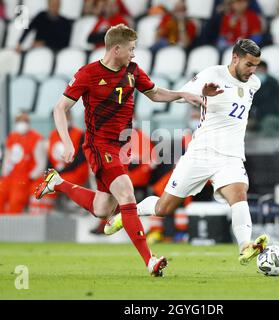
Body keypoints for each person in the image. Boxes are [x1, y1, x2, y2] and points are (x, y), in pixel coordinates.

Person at [34, 24, 208, 277]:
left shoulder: (133, 71)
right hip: (99, 145)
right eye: (131, 49)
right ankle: (150, 260)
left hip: (121, 146)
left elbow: (156, 93)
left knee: (103, 209)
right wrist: (68, 142)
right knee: (127, 196)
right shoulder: (88, 73)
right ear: (116, 49)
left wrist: (182, 94)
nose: (134, 54)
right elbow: (60, 109)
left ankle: (57, 182)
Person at [107, 39, 269, 266]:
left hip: (230, 155)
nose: (252, 71)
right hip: (200, 153)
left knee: (239, 195)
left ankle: (245, 246)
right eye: (249, 64)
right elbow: (185, 94)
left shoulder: (254, 83)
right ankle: (126, 214)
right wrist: (203, 93)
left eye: (256, 66)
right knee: (164, 208)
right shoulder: (212, 74)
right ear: (235, 58)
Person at [0, 112, 46, 214]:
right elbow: (7, 159)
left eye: (23, 121)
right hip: (10, 177)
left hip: (25, 179)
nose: (21, 124)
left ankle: (12, 224)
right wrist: (4, 173)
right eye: (19, 121)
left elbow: (41, 164)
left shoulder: (36, 139)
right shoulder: (12, 137)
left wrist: (30, 177)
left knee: (15, 200)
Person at [248, 60, 279, 137]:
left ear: (265, 70)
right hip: (257, 117)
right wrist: (249, 118)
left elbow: (272, 106)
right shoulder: (251, 84)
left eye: (260, 69)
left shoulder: (273, 83)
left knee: (268, 122)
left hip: (272, 116)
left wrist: (256, 119)